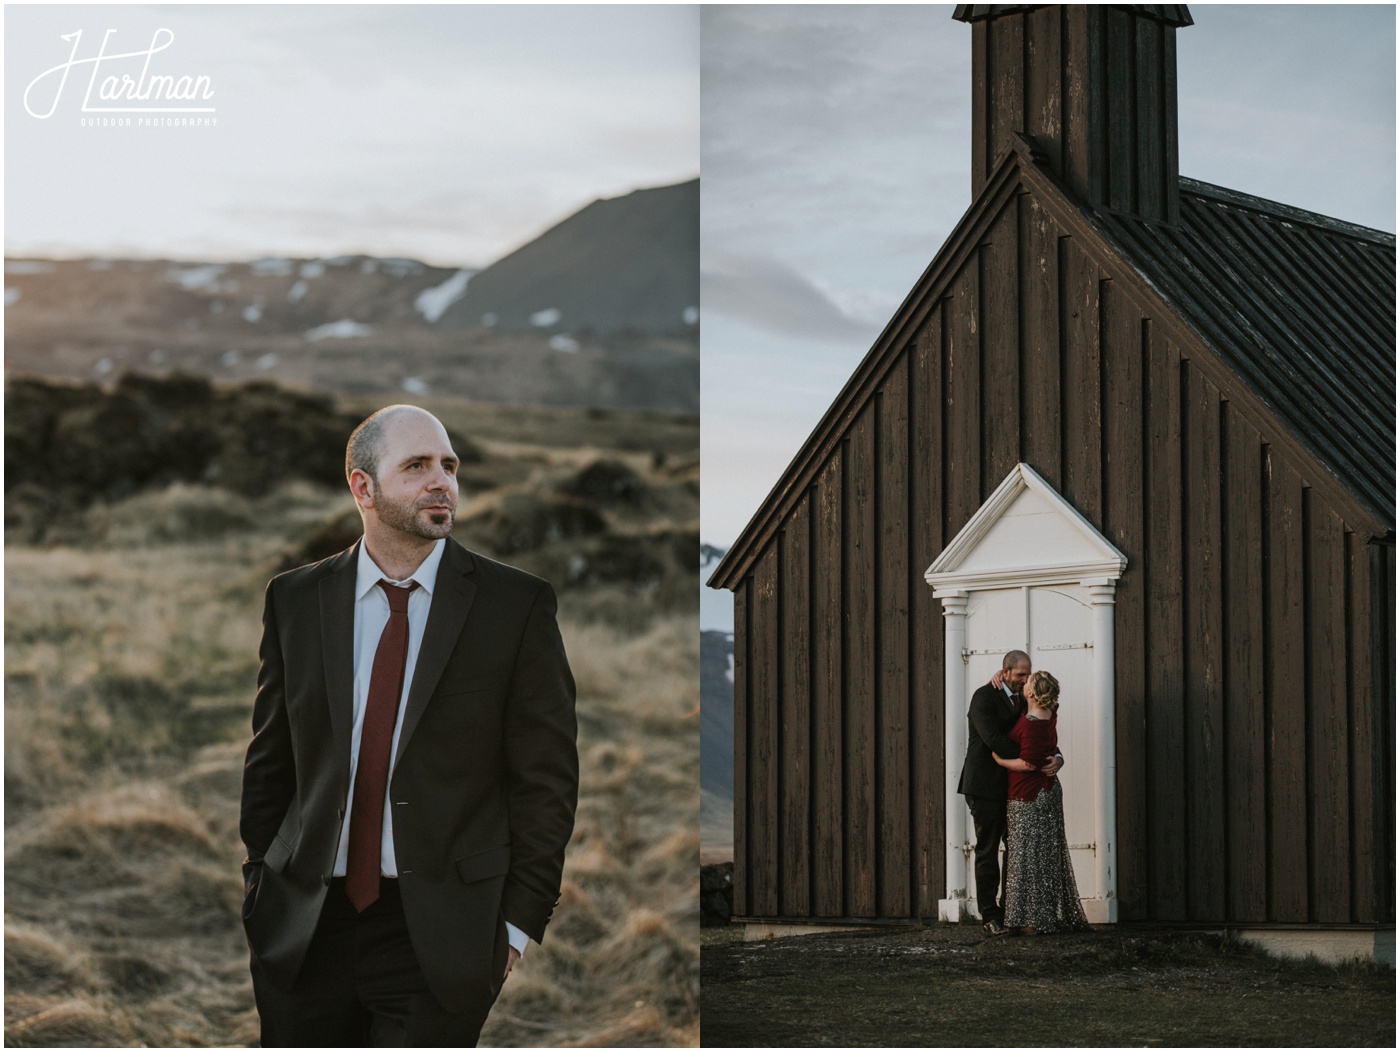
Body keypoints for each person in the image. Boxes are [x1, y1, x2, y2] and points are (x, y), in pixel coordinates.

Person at [239, 404, 579, 1046]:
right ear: (362, 487)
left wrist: (514, 928)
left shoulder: (516, 607)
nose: (442, 481)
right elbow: (271, 761)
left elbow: (548, 782)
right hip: (306, 928)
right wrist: (263, 884)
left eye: (449, 466)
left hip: (443, 936)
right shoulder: (295, 598)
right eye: (417, 465)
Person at [957, 650, 1062, 936]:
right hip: (984, 786)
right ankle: (990, 915)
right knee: (988, 849)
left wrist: (1057, 755)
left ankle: (1012, 911)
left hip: (1014, 786)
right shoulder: (983, 697)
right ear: (1005, 672)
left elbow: (1040, 728)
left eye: (1028, 675)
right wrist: (1037, 759)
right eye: (1019, 675)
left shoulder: (1021, 698)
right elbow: (995, 741)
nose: (1025, 680)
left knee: (1016, 851)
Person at [993, 670, 1090, 934]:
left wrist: (1001, 761)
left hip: (1029, 795)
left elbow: (1029, 763)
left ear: (1033, 693)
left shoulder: (1033, 722)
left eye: (1029, 682)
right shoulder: (1050, 712)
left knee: (1026, 856)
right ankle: (1034, 917)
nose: (1024, 683)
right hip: (1044, 793)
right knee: (1041, 855)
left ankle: (1030, 921)